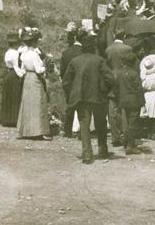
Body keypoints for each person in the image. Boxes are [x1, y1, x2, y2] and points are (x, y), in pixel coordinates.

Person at [63, 36, 115, 164]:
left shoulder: (75, 61)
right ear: (93, 48)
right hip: (98, 97)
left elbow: (66, 82)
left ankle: (87, 154)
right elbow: (110, 79)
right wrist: (105, 90)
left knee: (84, 125)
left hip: (81, 97)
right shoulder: (100, 60)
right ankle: (103, 151)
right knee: (101, 124)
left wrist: (72, 93)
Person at [106, 39, 145, 155]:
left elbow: (117, 88)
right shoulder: (134, 74)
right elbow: (139, 89)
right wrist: (142, 102)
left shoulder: (119, 74)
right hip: (134, 101)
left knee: (126, 122)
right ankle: (130, 146)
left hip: (123, 100)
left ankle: (126, 141)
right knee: (133, 123)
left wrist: (120, 97)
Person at [14, 29, 52, 140]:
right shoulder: (34, 55)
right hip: (35, 78)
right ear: (35, 42)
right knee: (37, 103)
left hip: (27, 79)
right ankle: (37, 131)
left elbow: (22, 69)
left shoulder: (24, 55)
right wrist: (46, 67)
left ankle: (26, 130)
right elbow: (39, 70)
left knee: (27, 103)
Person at [58, 29, 84, 139]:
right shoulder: (85, 51)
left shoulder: (66, 53)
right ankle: (82, 131)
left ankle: (67, 130)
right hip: (83, 82)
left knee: (70, 106)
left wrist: (64, 81)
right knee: (82, 107)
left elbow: (62, 71)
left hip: (70, 82)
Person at [0, 30, 24, 128]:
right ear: (16, 43)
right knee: (15, 96)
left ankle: (6, 119)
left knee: (8, 96)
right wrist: (22, 75)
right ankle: (14, 119)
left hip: (8, 74)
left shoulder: (7, 52)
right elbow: (16, 67)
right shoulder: (15, 53)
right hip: (14, 74)